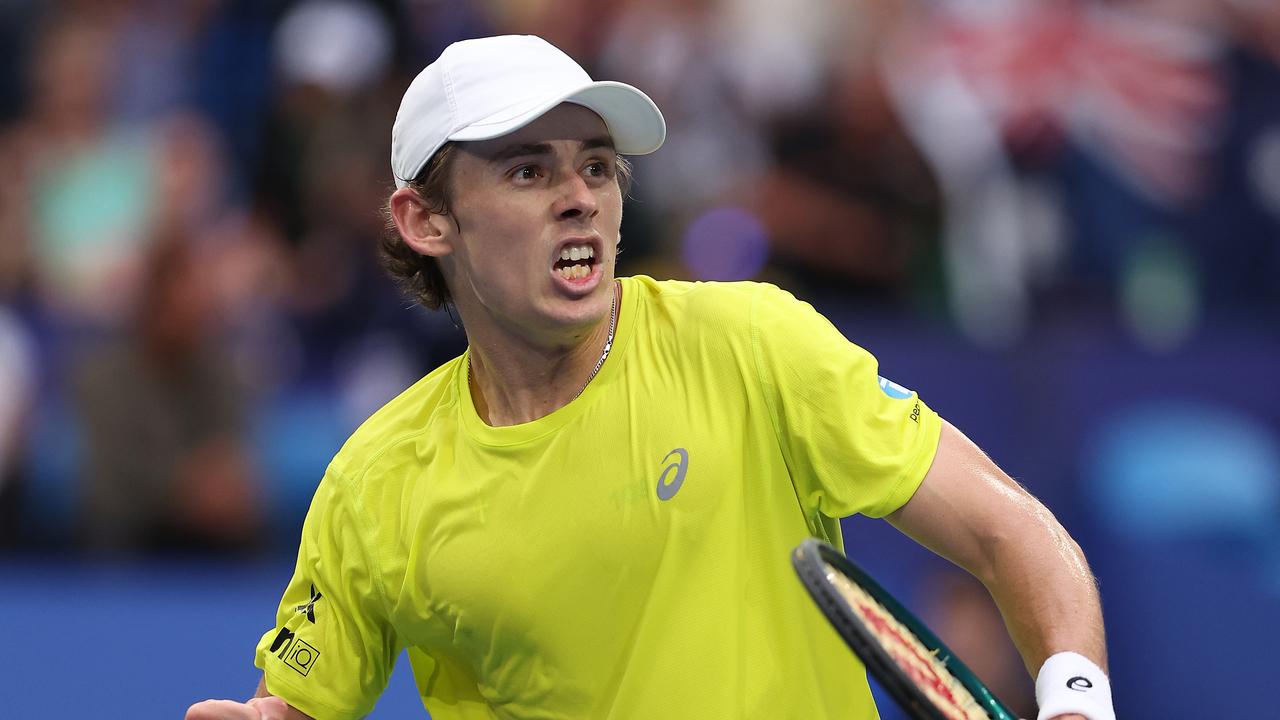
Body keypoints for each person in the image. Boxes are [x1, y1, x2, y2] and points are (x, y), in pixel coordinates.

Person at [187, 35, 1113, 720]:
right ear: (426, 221)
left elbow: (1007, 529)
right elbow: (299, 706)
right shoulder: (373, 482)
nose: (580, 195)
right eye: (526, 171)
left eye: (597, 165)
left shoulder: (755, 345)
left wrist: (1075, 699)